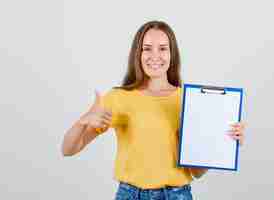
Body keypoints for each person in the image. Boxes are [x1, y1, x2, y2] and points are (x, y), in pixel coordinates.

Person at [61, 20, 245, 200]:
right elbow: (68, 149)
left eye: (163, 48)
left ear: (172, 54)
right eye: (147, 48)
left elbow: (197, 172)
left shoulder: (189, 100)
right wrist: (83, 120)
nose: (154, 55)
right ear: (137, 54)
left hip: (177, 195)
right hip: (131, 195)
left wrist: (224, 140)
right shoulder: (119, 98)